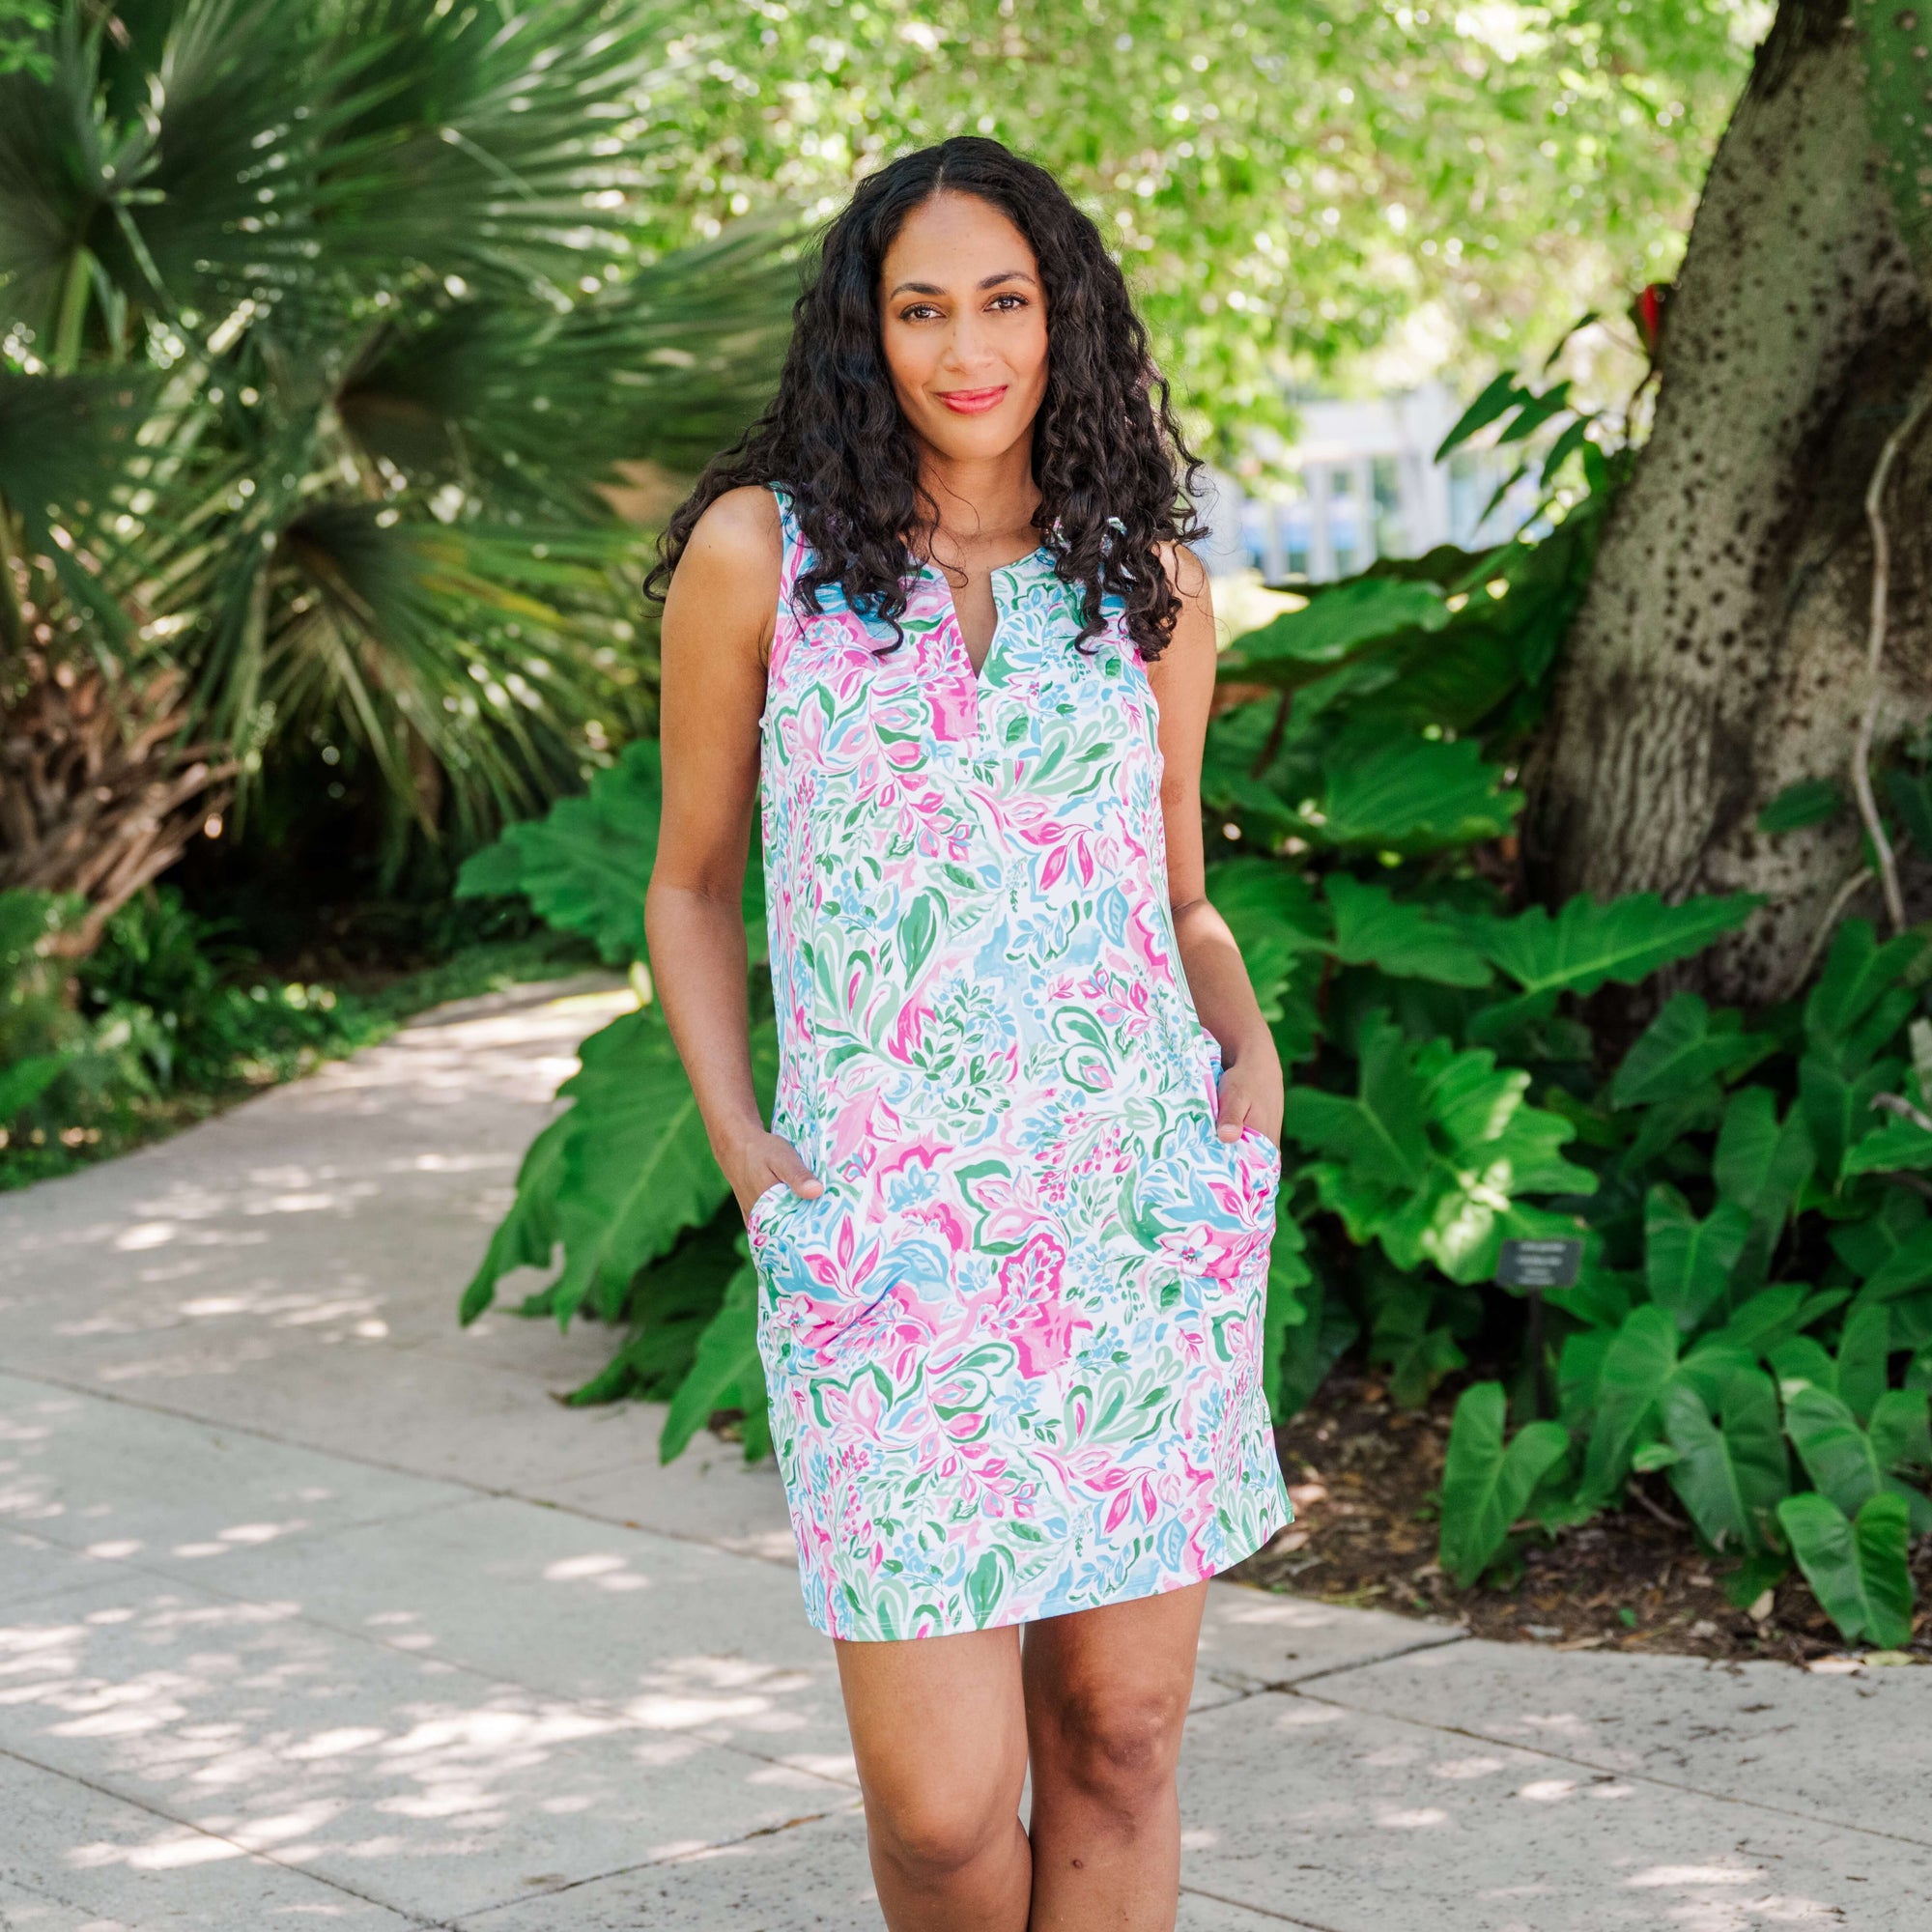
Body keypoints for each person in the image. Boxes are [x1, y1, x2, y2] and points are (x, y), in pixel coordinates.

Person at [644, 135, 1290, 1932]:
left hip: (1137, 1217)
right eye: (919, 309)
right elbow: (691, 884)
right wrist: (739, 1141)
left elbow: (1179, 895)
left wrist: (1249, 1059)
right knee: (939, 1815)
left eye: (1002, 301)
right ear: (866, 336)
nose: (966, 347)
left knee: (1127, 1737)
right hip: (892, 1255)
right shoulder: (761, 558)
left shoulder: (1145, 577)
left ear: (1062, 317)